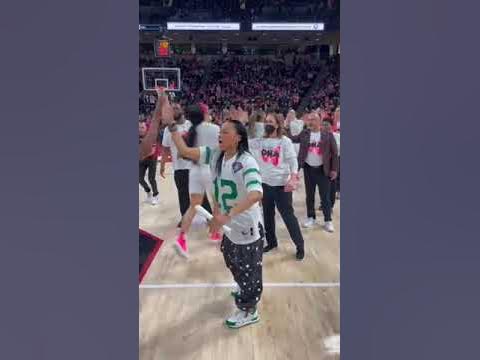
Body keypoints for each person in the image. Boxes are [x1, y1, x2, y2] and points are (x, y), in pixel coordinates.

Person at [164, 98, 265, 329]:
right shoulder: (215, 155)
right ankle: (242, 286)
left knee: (249, 268)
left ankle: (249, 310)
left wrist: (224, 216)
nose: (220, 134)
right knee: (231, 259)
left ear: (237, 138)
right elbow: (184, 150)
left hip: (246, 226)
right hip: (228, 226)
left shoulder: (246, 161)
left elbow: (256, 194)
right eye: (220, 131)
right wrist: (171, 125)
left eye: (225, 132)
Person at [250, 113, 305, 260]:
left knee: (288, 217)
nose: (267, 124)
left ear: (277, 125)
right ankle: (272, 242)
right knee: (267, 216)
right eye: (265, 121)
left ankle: (300, 245)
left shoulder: (284, 141)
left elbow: (293, 161)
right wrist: (246, 122)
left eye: (270, 122)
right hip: (265, 185)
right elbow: (244, 142)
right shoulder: (260, 141)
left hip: (282, 186)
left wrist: (293, 178)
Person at [175, 103, 220, 256]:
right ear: (204, 114)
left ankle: (181, 237)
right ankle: (215, 233)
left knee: (194, 206)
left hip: (194, 171)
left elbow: (184, 153)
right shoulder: (214, 128)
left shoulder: (191, 131)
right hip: (210, 169)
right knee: (217, 204)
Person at [287, 112, 339, 232]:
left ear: (319, 121)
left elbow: (335, 154)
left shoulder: (328, 135)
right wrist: (288, 126)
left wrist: (334, 169)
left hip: (323, 170)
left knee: (324, 196)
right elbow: (293, 139)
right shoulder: (305, 133)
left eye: (313, 119)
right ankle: (311, 217)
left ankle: (328, 220)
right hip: (309, 169)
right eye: (309, 120)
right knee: (309, 196)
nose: (310, 122)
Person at [160, 102, 193, 227]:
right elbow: (165, 149)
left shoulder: (190, 125)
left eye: (177, 108)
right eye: (172, 109)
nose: (174, 110)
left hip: (193, 165)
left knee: (201, 195)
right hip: (179, 167)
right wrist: (162, 165)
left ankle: (209, 218)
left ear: (181, 109)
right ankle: (185, 218)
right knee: (183, 195)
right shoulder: (168, 130)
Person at [139, 121, 160, 205]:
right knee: (139, 178)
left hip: (152, 159)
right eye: (139, 128)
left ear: (146, 128)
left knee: (151, 178)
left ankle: (156, 195)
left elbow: (152, 151)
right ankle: (148, 192)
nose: (140, 130)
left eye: (142, 127)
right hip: (142, 160)